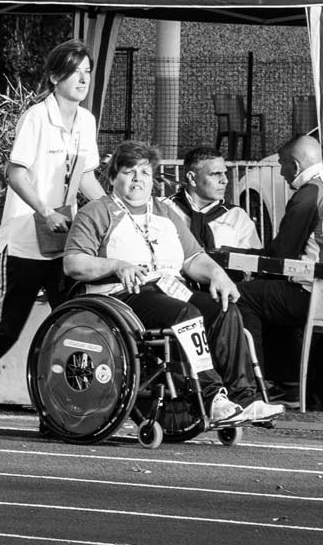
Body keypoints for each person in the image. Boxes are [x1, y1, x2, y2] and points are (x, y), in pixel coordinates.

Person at [0, 39, 106, 429]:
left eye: (87, 72)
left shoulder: (86, 122)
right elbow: (15, 174)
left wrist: (113, 212)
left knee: (73, 326)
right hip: (27, 239)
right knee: (7, 329)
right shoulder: (36, 118)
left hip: (66, 242)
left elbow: (87, 177)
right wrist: (44, 211)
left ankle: (55, 409)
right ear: (54, 76)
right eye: (75, 71)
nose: (83, 79)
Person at [63, 140, 283, 426]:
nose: (137, 180)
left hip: (170, 288)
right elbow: (73, 263)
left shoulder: (165, 213)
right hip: (123, 295)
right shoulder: (97, 211)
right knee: (185, 315)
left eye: (144, 173)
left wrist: (218, 275)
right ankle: (211, 397)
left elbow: (193, 258)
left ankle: (245, 398)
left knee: (223, 309)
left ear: (153, 180)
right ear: (114, 176)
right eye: (129, 172)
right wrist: (116, 265)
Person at [233, 134, 323, 403]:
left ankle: (256, 384)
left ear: (295, 166)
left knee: (243, 295)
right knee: (271, 292)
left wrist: (239, 256)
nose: (282, 173)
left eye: (282, 164)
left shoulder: (311, 193)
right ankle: (290, 379)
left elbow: (282, 254)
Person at [171, 148, 265, 256]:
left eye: (225, 173)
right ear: (192, 178)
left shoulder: (237, 216)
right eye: (215, 174)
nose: (225, 180)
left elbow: (251, 261)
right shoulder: (166, 210)